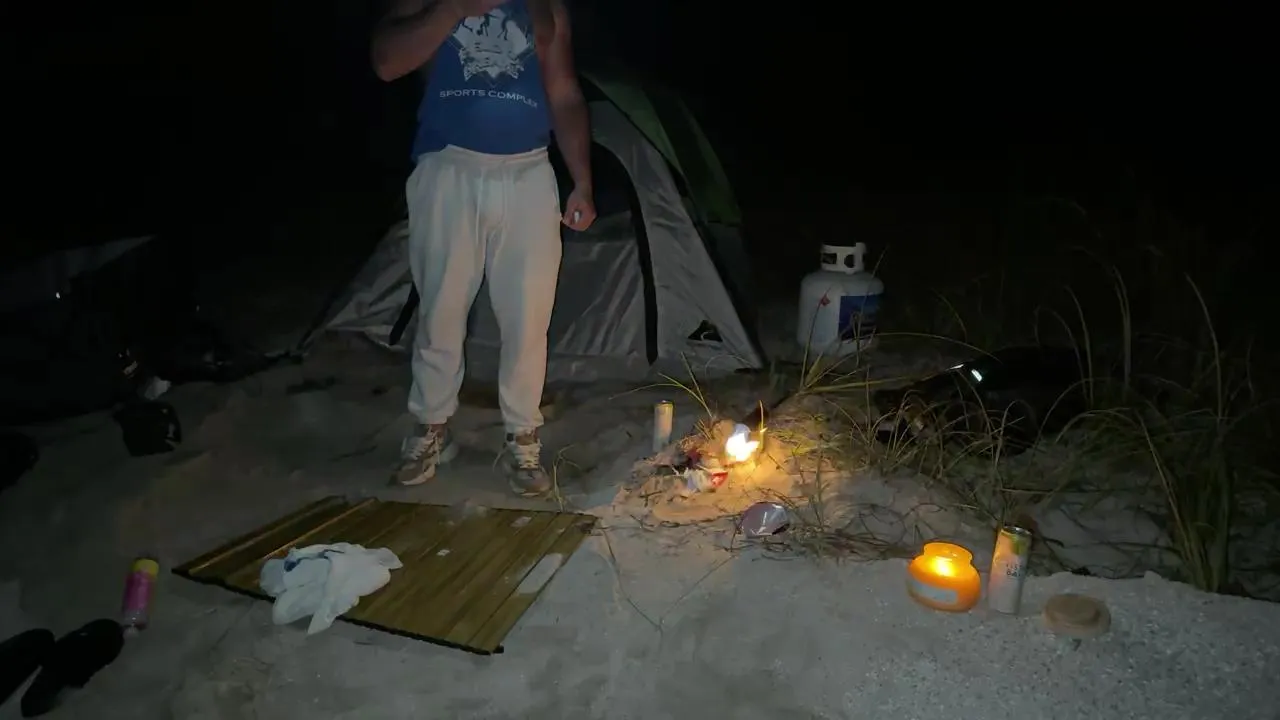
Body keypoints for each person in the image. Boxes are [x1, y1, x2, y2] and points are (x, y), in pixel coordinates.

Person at [370, 0, 596, 495]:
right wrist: (453, 7)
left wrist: (582, 180)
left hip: (530, 171)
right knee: (441, 308)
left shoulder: (547, 7)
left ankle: (523, 437)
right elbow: (386, 63)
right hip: (448, 165)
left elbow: (564, 93)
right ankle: (431, 427)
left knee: (528, 315)